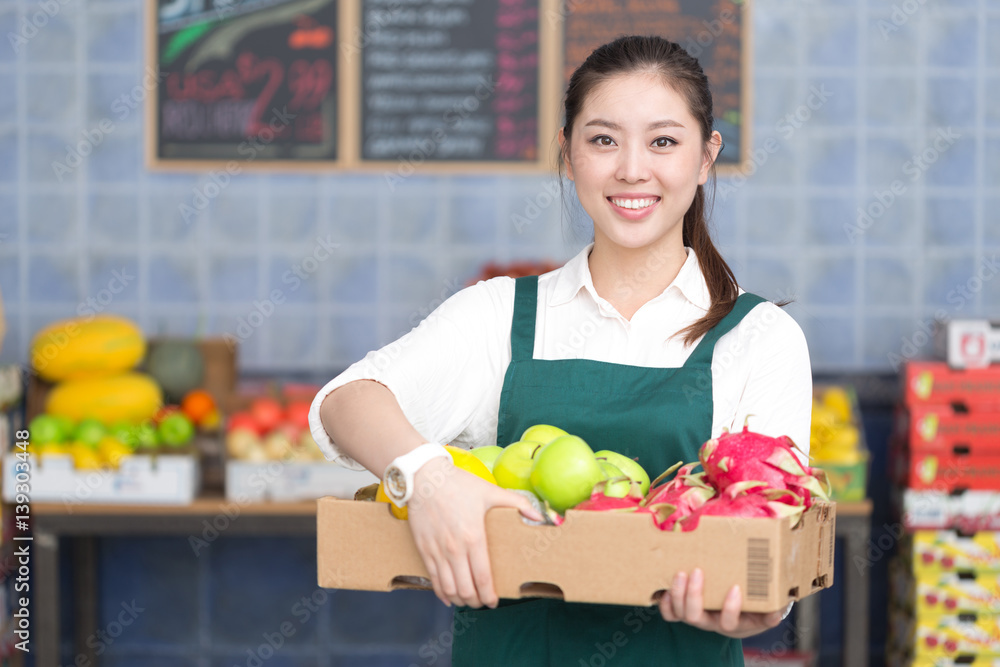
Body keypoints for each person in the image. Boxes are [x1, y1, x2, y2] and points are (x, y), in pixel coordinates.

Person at [310, 34, 812, 666]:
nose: (632, 168)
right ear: (568, 154)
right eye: (603, 140)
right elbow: (343, 403)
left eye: (664, 141)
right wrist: (432, 481)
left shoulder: (760, 338)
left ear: (706, 156)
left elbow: (774, 536)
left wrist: (757, 607)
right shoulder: (498, 315)